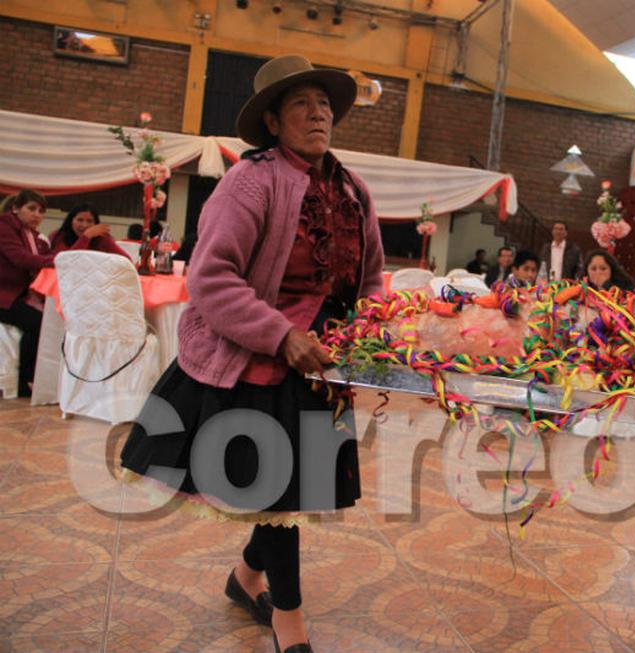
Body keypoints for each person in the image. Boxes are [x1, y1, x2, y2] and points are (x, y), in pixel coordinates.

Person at [119, 55, 383, 653]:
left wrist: (369, 337)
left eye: (324, 104)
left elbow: (369, 282)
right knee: (277, 493)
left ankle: (246, 580)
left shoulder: (352, 187)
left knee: (286, 495)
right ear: (272, 120)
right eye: (300, 104)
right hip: (259, 360)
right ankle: (288, 622)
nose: (318, 114)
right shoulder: (251, 180)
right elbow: (212, 279)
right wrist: (281, 335)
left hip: (324, 365)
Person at [0, 189, 56, 397]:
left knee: (50, 318)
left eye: (41, 211)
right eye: (31, 209)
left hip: (18, 294)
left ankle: (39, 377)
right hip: (4, 297)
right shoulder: (5, 226)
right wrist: (56, 260)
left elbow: (41, 258)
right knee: (38, 322)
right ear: (15, 208)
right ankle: (24, 380)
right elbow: (20, 259)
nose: (37, 215)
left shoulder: (32, 236)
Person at [49, 203, 130, 257]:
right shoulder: (58, 236)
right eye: (80, 220)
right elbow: (67, 260)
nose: (85, 225)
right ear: (71, 221)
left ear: (95, 223)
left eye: (90, 221)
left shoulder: (103, 238)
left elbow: (126, 260)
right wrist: (86, 237)